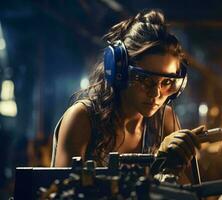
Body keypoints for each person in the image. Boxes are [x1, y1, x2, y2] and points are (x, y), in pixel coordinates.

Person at [51, 9, 204, 181]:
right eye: (144, 79)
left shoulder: (165, 119)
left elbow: (191, 191)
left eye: (166, 82)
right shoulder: (83, 118)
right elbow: (63, 191)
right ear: (120, 71)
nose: (155, 93)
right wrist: (157, 169)